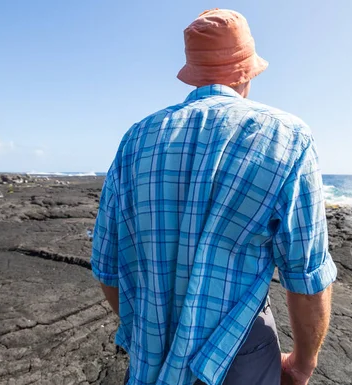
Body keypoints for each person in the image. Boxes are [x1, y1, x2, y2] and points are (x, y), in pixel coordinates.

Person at [91, 9, 336, 385]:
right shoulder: (286, 136)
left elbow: (108, 267)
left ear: (193, 71)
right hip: (236, 357)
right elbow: (306, 276)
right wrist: (303, 362)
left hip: (149, 352)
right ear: (247, 72)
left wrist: (148, 335)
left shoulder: (136, 139)